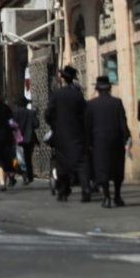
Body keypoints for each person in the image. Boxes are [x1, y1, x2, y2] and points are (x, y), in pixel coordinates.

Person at [45, 66, 92, 202]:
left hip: (61, 135)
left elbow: (48, 114)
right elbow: (85, 114)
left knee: (62, 163)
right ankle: (85, 188)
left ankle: (63, 191)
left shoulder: (57, 95)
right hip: (78, 134)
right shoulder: (78, 95)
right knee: (81, 162)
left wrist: (55, 125)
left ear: (62, 78)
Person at [84, 75, 130, 208]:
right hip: (116, 140)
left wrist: (88, 143)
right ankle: (117, 195)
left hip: (99, 142)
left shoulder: (91, 105)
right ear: (109, 88)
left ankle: (106, 197)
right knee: (117, 169)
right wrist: (126, 136)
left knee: (101, 169)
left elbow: (87, 126)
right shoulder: (117, 102)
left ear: (97, 89)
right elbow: (123, 121)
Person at [12, 97, 39, 185]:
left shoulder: (14, 113)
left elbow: (11, 126)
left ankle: (24, 175)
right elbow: (36, 125)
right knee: (27, 158)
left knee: (19, 159)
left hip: (17, 139)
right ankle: (29, 176)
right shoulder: (31, 113)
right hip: (29, 138)